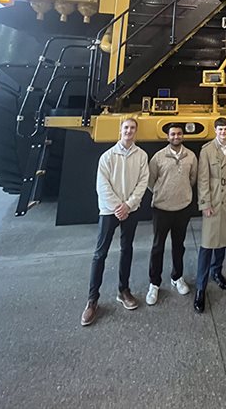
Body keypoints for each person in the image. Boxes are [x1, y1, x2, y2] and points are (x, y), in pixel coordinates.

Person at [81, 117, 149, 326]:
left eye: (132, 128)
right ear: (120, 130)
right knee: (100, 254)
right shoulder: (107, 157)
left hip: (130, 210)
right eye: (126, 128)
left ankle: (123, 290)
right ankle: (92, 301)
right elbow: (102, 186)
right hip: (109, 211)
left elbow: (142, 182)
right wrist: (118, 207)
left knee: (127, 249)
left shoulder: (141, 156)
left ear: (136, 132)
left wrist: (128, 205)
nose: (129, 131)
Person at [145, 124, 198, 306]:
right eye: (173, 134)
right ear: (167, 137)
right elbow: (150, 181)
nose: (176, 136)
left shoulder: (191, 156)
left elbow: (192, 178)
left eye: (179, 134)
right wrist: (162, 193)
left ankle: (177, 277)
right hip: (162, 209)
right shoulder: (158, 157)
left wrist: (182, 194)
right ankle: (154, 283)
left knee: (179, 245)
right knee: (157, 247)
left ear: (183, 136)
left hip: (182, 209)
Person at [194, 117, 226, 313]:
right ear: (215, 130)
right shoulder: (206, 150)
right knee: (207, 244)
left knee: (223, 240)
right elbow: (203, 179)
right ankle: (200, 288)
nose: (223, 132)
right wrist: (205, 203)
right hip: (213, 199)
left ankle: (217, 272)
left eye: (225, 129)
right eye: (220, 129)